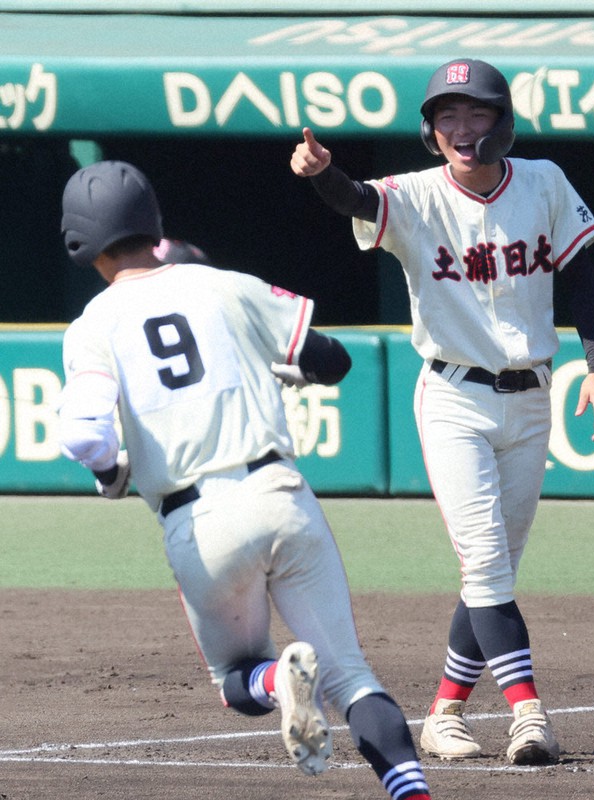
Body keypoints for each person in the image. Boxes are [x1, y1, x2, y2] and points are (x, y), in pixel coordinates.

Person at [57, 159, 433, 800]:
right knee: (352, 680)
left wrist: (110, 471)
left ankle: (275, 683)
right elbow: (332, 358)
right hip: (279, 496)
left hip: (197, 524)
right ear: (155, 226)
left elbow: (85, 434)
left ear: (80, 242)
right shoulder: (221, 284)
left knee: (236, 679)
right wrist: (292, 372)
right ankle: (413, 792)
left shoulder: (93, 324)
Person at [290, 58, 594, 765]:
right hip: (454, 399)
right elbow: (357, 200)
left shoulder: (544, 181)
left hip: (531, 400)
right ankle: (530, 715)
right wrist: (321, 174)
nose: (461, 129)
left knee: (490, 576)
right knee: (489, 568)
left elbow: (581, 277)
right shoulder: (414, 194)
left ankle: (442, 713)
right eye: (447, 117)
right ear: (431, 131)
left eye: (475, 114)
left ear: (502, 120)